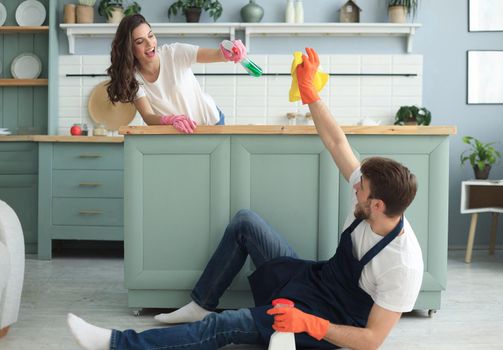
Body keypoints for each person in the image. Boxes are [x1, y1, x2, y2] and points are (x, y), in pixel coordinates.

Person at [67, 47, 423, 350]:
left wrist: (310, 325)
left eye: (361, 189)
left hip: (330, 319)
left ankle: (117, 343)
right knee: (246, 223)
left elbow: (372, 339)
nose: (355, 186)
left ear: (377, 205)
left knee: (225, 325)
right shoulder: (374, 199)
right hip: (315, 281)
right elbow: (337, 142)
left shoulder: (402, 264)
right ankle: (201, 303)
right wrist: (311, 92)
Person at [106, 14, 247, 133]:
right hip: (179, 131)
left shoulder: (174, 53)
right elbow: (148, 116)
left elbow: (217, 54)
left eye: (151, 36)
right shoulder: (134, 78)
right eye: (140, 42)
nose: (150, 44)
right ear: (129, 48)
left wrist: (229, 51)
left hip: (211, 123)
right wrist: (169, 120)